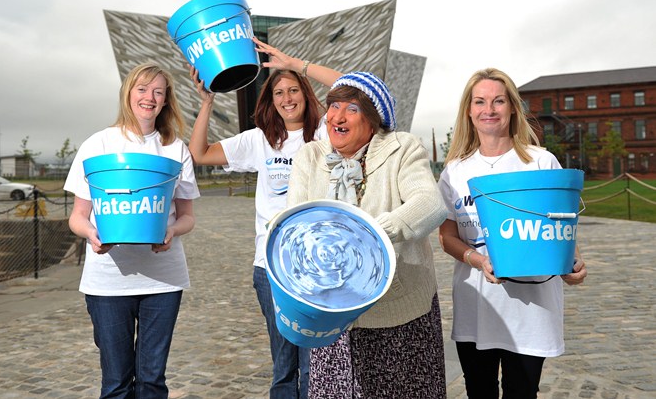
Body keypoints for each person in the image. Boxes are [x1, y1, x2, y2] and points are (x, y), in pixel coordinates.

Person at [187, 37, 340, 399]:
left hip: (318, 265)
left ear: (305, 93)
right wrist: (207, 101)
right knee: (284, 363)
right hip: (270, 267)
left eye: (293, 90)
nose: (287, 99)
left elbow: (352, 85)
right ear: (270, 102)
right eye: (278, 94)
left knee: (316, 364)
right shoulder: (260, 140)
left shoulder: (324, 135)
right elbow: (199, 153)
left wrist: (297, 63)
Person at [286, 71, 449, 398]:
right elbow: (295, 222)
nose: (337, 116)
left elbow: (430, 204)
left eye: (352, 108)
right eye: (333, 106)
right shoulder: (311, 156)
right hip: (332, 314)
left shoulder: (402, 148)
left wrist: (370, 235)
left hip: (398, 310)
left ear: (373, 119)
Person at [437, 68, 588, 399]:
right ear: (468, 110)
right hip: (477, 308)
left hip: (531, 311)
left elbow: (559, 230)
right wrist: (477, 260)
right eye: (480, 101)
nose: (489, 109)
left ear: (512, 108)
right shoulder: (455, 170)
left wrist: (572, 265)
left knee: (522, 393)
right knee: (480, 392)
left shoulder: (541, 162)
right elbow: (446, 236)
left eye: (498, 101)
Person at [64, 63, 200, 398]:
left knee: (153, 381)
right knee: (116, 383)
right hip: (108, 280)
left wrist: (170, 232)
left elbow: (187, 216)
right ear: (128, 93)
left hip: (163, 279)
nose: (149, 97)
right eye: (142, 89)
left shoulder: (175, 149)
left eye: (158, 91)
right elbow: (78, 217)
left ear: (166, 100)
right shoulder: (98, 145)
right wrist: (92, 235)